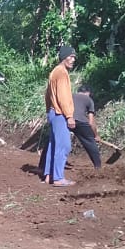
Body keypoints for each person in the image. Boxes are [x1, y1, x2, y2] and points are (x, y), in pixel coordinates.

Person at [42, 46, 76, 185]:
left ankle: (49, 175)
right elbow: (62, 96)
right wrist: (69, 116)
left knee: (53, 144)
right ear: (64, 57)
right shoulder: (62, 73)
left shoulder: (54, 72)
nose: (73, 60)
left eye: (74, 57)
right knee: (64, 145)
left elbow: (47, 94)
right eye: (71, 56)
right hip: (60, 113)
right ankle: (58, 178)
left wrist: (48, 109)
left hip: (53, 111)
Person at [71, 85, 102, 170]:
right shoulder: (89, 100)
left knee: (53, 142)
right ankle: (98, 166)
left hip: (66, 119)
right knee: (90, 143)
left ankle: (43, 166)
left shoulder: (70, 96)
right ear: (88, 93)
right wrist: (96, 135)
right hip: (81, 121)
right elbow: (91, 122)